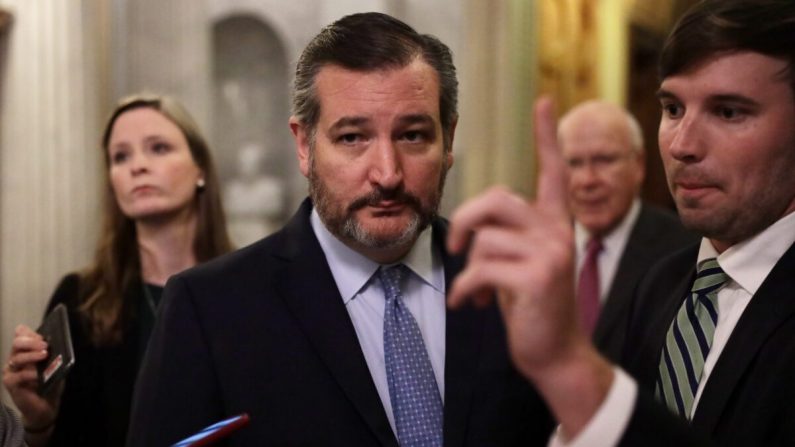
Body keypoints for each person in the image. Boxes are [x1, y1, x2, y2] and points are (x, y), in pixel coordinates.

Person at [127, 12, 552, 447]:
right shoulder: (211, 311)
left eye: (412, 135)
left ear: (449, 140)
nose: (387, 174)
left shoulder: (512, 282)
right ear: (304, 145)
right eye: (352, 138)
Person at [448, 0, 795, 445]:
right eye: (672, 109)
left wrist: (568, 364)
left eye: (728, 112)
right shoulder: (661, 285)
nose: (683, 145)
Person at [2, 93, 232, 447]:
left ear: (200, 168)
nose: (137, 166)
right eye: (120, 156)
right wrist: (38, 424)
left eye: (158, 148)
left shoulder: (247, 288)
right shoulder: (80, 298)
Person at [558, 100, 696, 361]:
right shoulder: (538, 248)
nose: (587, 180)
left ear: (639, 165)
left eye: (604, 160)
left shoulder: (687, 250)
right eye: (574, 163)